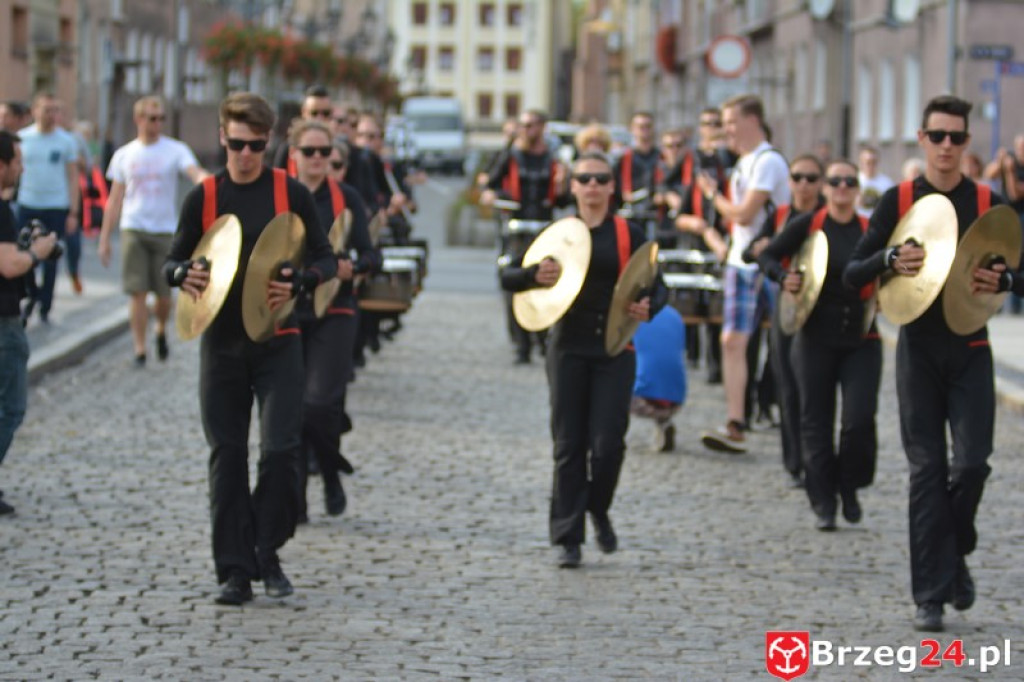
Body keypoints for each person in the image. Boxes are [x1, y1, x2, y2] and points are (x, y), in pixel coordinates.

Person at [844, 95, 1018, 632]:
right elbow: (853, 273)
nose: (947, 146)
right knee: (927, 471)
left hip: (971, 348)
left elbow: (1018, 266)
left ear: (968, 143)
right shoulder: (898, 200)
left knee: (972, 464)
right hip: (917, 349)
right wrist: (889, 260)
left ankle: (954, 551)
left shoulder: (990, 200)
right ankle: (931, 596)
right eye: (937, 136)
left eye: (957, 137)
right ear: (922, 139)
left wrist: (1007, 281)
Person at [164, 92, 336, 605]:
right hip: (220, 346)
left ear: (269, 142)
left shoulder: (290, 193)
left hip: (278, 343)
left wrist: (303, 280)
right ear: (222, 138)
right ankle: (234, 570)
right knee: (227, 456)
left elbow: (326, 258)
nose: (245, 154)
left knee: (282, 452)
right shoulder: (205, 197)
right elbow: (172, 261)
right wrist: (182, 274)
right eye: (236, 143)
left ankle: (267, 547)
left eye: (256, 145)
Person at [500, 151, 665, 568]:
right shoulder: (556, 234)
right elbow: (507, 276)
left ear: (613, 187)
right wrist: (532, 274)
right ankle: (567, 536)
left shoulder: (630, 231)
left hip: (615, 349)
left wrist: (650, 306)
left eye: (600, 178)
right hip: (568, 348)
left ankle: (598, 507)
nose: (592, 185)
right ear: (572, 186)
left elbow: (658, 288)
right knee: (569, 444)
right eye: (584, 178)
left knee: (608, 444)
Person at [759, 158, 882, 530]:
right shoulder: (808, 225)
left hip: (862, 336)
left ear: (858, 188)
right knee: (815, 420)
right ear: (826, 188)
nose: (842, 187)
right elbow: (765, 255)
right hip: (814, 336)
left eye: (849, 181)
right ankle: (823, 499)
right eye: (836, 181)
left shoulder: (870, 229)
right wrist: (784, 276)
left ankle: (850, 483)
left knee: (858, 420)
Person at [288, 121, 379, 522]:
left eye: (325, 153)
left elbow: (371, 256)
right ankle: (299, 493)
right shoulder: (281, 195)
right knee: (292, 409)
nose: (318, 159)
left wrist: (352, 267)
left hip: (336, 310)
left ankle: (327, 470)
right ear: (294, 155)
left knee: (320, 403)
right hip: (286, 309)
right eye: (310, 152)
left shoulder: (347, 197)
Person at [696, 94, 790, 453]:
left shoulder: (767, 161)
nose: (726, 130)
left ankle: (790, 421)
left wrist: (712, 195)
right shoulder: (744, 162)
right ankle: (736, 421)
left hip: (768, 262)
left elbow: (744, 214)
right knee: (732, 341)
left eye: (731, 122)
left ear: (753, 120)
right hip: (740, 261)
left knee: (782, 345)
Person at [99, 95, 209, 366]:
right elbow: (114, 199)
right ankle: (139, 348)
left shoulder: (175, 150)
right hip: (133, 227)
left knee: (163, 294)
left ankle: (160, 328)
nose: (157, 123)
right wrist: (104, 239)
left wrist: (208, 181)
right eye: (151, 118)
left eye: (161, 118)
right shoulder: (124, 155)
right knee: (136, 291)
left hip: (165, 230)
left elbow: (194, 172)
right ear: (138, 119)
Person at [744, 154, 825, 488]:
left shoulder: (827, 215)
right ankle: (794, 462)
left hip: (822, 310)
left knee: (816, 390)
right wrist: (766, 255)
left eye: (811, 177)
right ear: (789, 181)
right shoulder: (778, 214)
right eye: (797, 177)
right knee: (788, 386)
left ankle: (816, 457)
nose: (804, 184)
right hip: (787, 306)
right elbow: (751, 252)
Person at [0, 131, 58, 516]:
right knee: (10, 407)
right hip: (3, 324)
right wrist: (37, 252)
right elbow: (9, 264)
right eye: (17, 160)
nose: (22, 167)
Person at [481, 109, 567, 365]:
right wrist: (491, 195)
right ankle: (521, 345)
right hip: (516, 230)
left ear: (543, 127)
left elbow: (562, 200)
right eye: (525, 125)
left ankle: (542, 339)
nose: (528, 130)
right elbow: (491, 184)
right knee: (515, 285)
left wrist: (563, 185)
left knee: (545, 283)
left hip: (543, 228)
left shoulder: (553, 159)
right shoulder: (511, 156)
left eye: (533, 125)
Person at [16, 92, 80, 323]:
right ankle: (32, 296)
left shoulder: (66, 141)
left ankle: (46, 305)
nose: (52, 115)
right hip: (28, 203)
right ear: (35, 111)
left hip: (55, 206)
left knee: (51, 258)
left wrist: (73, 211)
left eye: (55, 110)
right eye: (47, 110)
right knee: (25, 255)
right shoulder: (23, 139)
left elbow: (73, 177)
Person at [631, 306, 686, 452]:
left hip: (640, 397)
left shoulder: (630, 313)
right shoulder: (675, 315)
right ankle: (664, 422)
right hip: (676, 397)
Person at [856, 145, 894, 219]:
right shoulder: (854, 180)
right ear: (861, 162)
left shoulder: (887, 183)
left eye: (874, 162)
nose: (871, 165)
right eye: (867, 162)